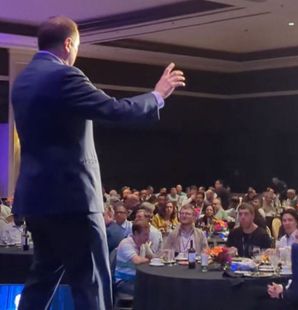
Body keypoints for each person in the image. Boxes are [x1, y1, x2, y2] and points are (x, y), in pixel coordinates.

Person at [11, 16, 185, 310]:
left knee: (41, 281)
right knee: (91, 284)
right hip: (73, 199)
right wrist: (157, 96)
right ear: (68, 44)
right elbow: (114, 110)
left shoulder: (23, 80)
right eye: (77, 46)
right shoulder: (65, 76)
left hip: (37, 201)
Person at [114, 220, 153, 296]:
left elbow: (153, 256)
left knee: (157, 287)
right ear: (136, 233)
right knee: (148, 292)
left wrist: (162, 254)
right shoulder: (126, 243)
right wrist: (150, 260)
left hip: (137, 279)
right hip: (123, 281)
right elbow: (137, 260)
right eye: (145, 235)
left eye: (148, 234)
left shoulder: (142, 244)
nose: (147, 238)